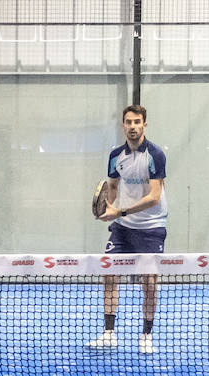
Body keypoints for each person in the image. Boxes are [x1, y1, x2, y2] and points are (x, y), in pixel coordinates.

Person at [88, 104, 168, 355]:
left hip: (151, 226)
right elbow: (112, 184)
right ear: (123, 125)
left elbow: (154, 197)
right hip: (122, 227)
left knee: (149, 282)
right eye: (128, 122)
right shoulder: (115, 156)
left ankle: (146, 336)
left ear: (145, 124)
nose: (132, 127)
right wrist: (110, 207)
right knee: (109, 274)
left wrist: (120, 211)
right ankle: (109, 333)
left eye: (137, 122)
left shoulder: (155, 155)